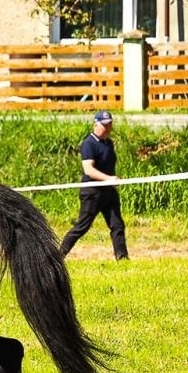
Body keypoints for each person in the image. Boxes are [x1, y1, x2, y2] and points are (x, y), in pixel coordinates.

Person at [59, 110, 129, 261]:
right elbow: (89, 170)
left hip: (108, 192)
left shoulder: (109, 143)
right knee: (81, 227)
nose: (108, 128)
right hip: (92, 192)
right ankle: (59, 256)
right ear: (95, 124)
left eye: (110, 124)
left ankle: (122, 257)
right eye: (105, 125)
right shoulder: (88, 144)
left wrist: (110, 182)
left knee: (117, 225)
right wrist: (108, 179)